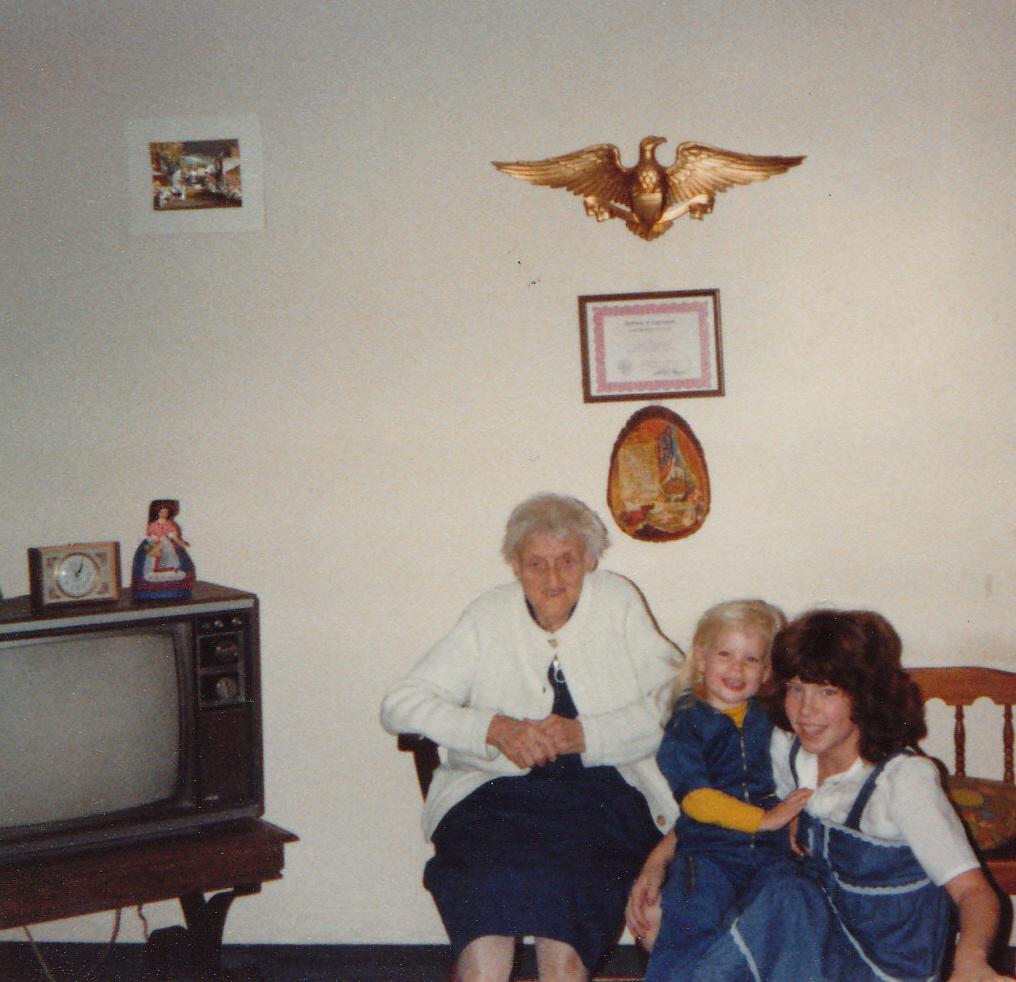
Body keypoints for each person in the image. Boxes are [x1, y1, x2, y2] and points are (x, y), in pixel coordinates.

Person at [380, 492, 682, 982]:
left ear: (588, 560)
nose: (553, 578)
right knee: (484, 876)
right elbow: (399, 705)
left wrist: (588, 735)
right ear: (515, 567)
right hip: (493, 797)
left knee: (569, 877)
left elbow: (677, 696)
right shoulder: (487, 614)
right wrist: (493, 729)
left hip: (603, 797)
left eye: (567, 561)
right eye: (535, 563)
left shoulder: (617, 601)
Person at [685, 609, 1011, 982]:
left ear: (865, 696)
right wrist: (655, 864)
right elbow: (723, 803)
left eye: (827, 691)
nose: (805, 710)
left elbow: (973, 891)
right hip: (815, 949)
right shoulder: (789, 751)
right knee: (768, 894)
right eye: (795, 688)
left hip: (887, 970)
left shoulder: (901, 782)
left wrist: (970, 960)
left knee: (785, 897)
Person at [632, 600, 812, 981]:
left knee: (787, 913)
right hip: (709, 853)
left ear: (766, 671)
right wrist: (765, 819)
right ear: (701, 658)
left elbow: (795, 770)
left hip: (769, 853)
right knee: (691, 923)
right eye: (725, 654)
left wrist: (793, 815)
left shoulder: (769, 716)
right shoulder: (688, 722)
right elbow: (696, 798)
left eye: (751, 659)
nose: (736, 668)